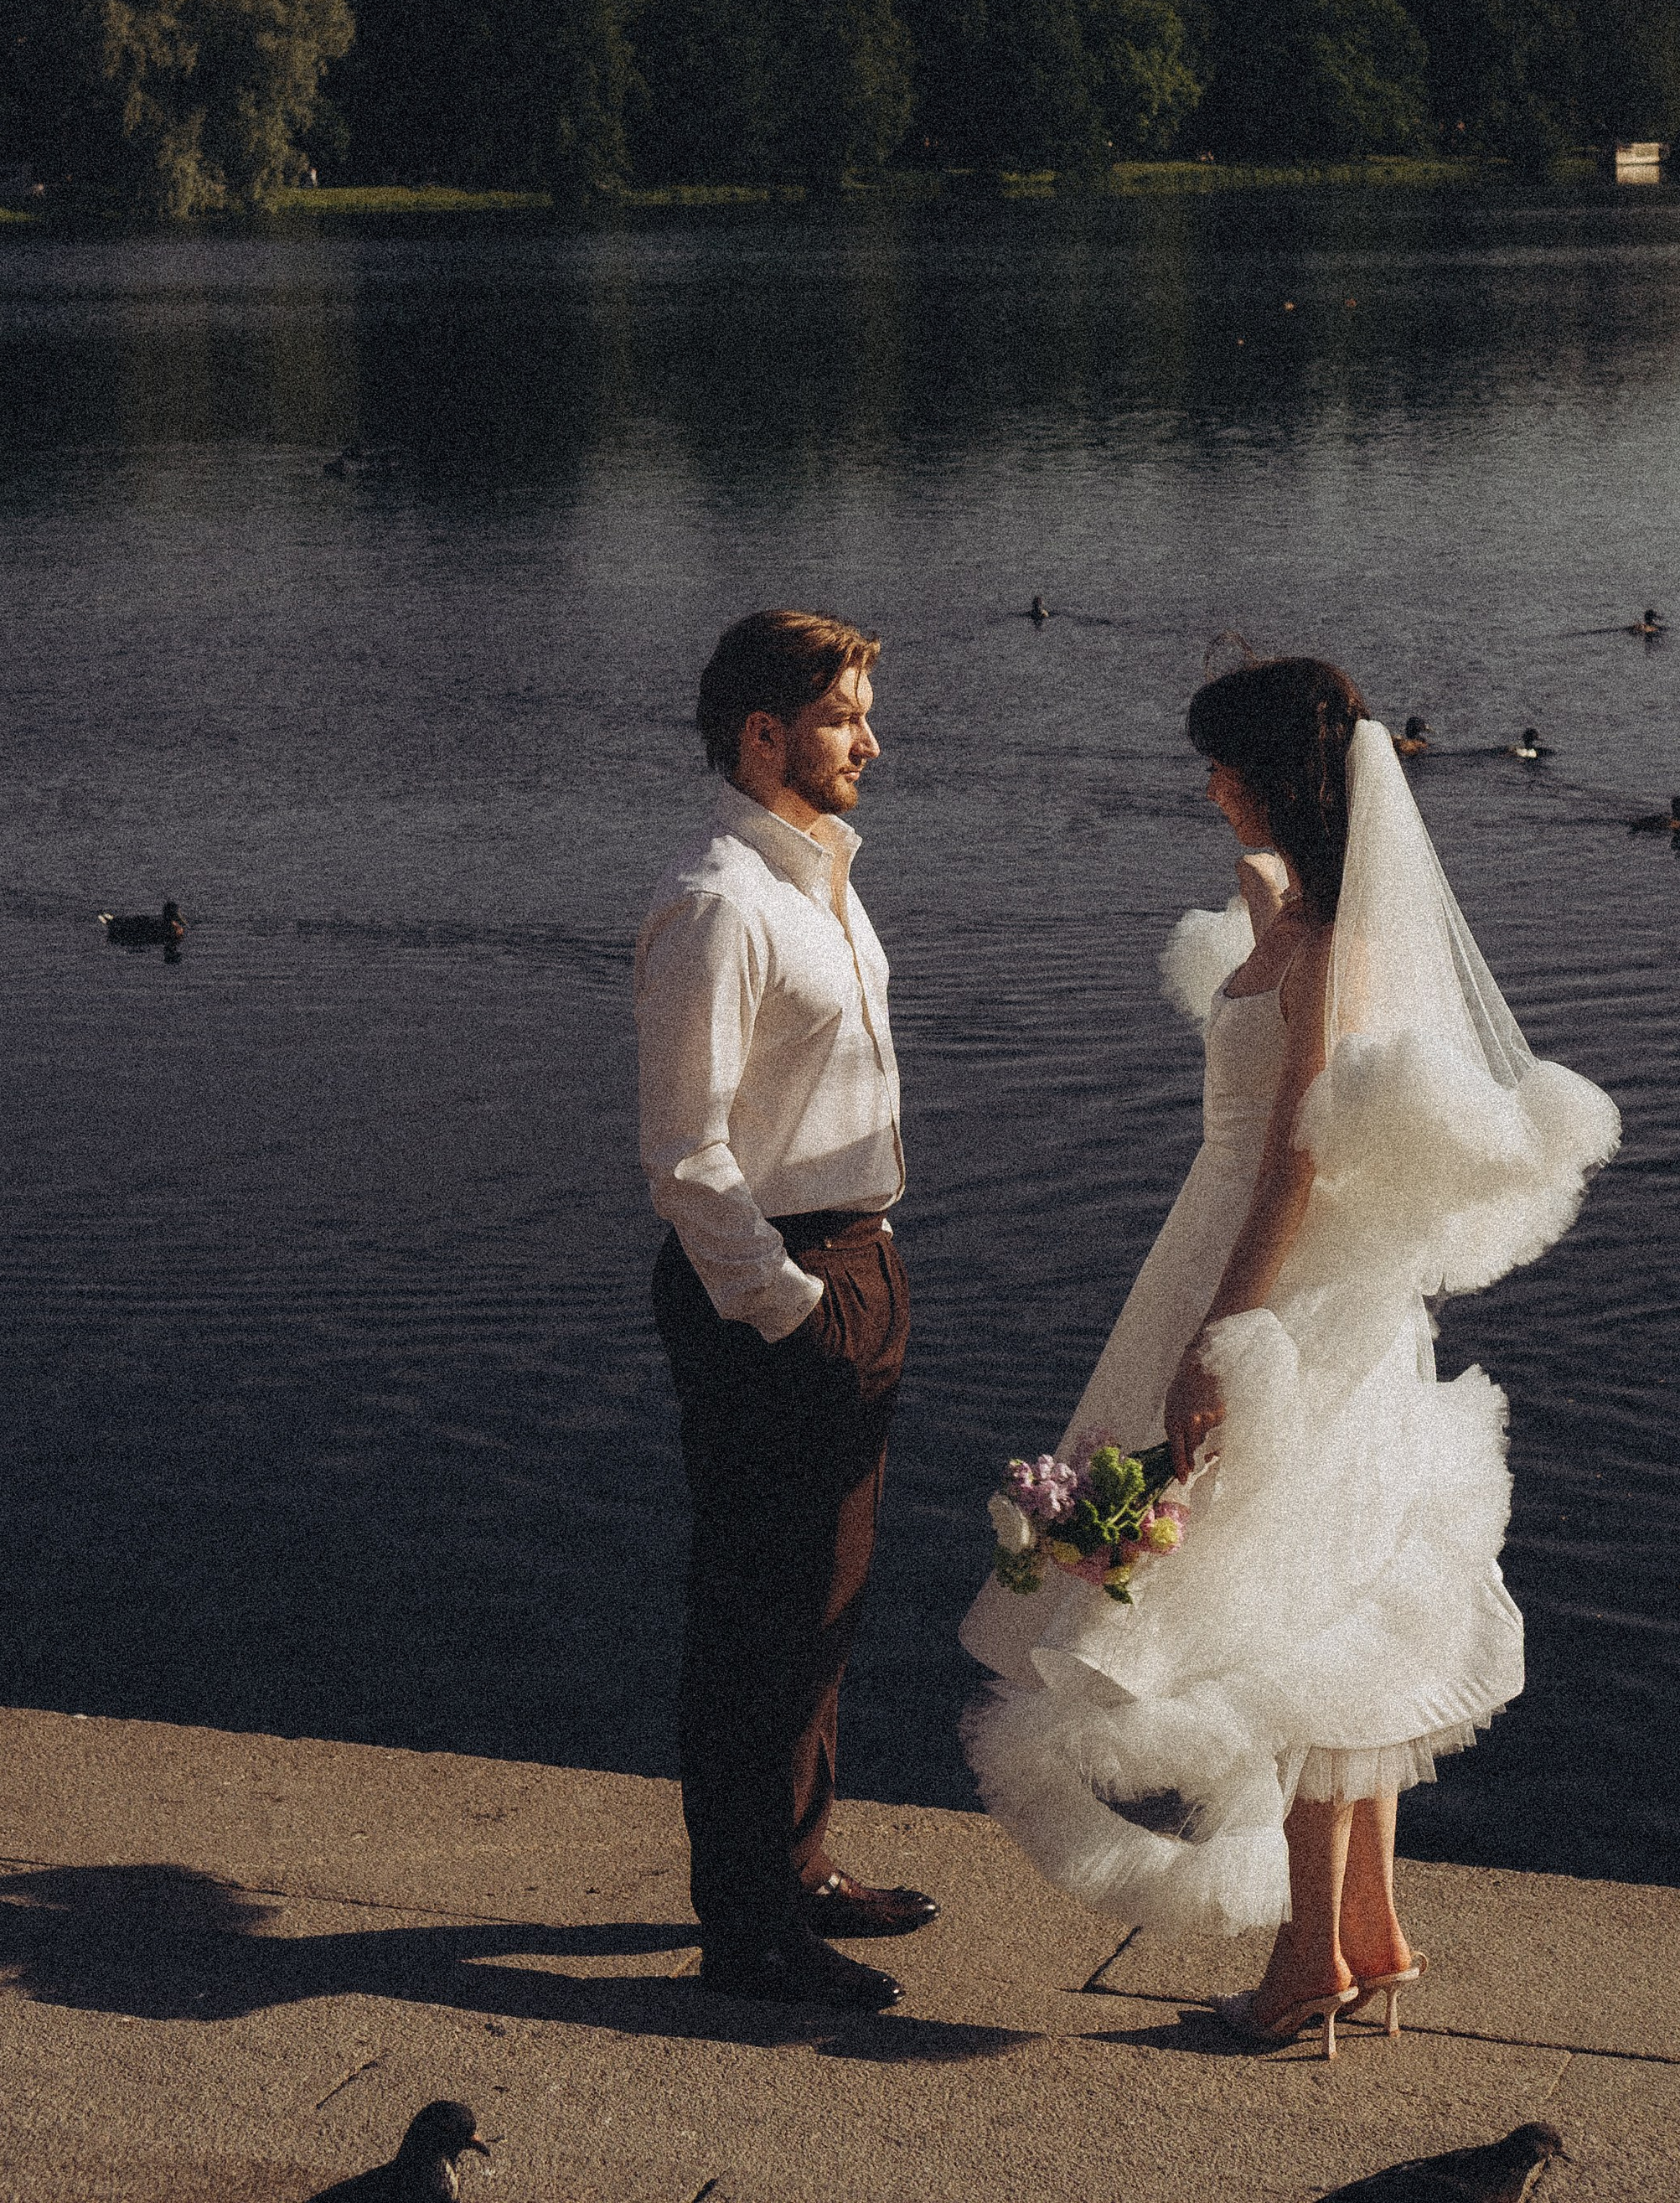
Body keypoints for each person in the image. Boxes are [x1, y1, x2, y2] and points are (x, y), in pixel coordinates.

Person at [961, 655, 1619, 2052]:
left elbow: (1294, 1164)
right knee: (1338, 1604)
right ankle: (1369, 1934)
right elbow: (1267, 994)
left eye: (1223, 766)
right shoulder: (1301, 920)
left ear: (1271, 778)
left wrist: (1225, 1337)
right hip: (1254, 1277)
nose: (1206, 786)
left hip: (1280, 1296)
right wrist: (1262, 905)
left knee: (1293, 1617)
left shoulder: (1332, 951)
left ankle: (1306, 1961)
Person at [637, 609, 933, 2012]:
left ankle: (798, 1868)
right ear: (765, 736)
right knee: (756, 1615)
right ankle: (745, 1930)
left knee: (828, 1599)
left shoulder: (820, 877)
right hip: (773, 1286)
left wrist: (854, 1285)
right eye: (843, 717)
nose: (871, 740)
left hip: (853, 1259)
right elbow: (686, 1158)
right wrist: (796, 1311)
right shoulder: (718, 903)